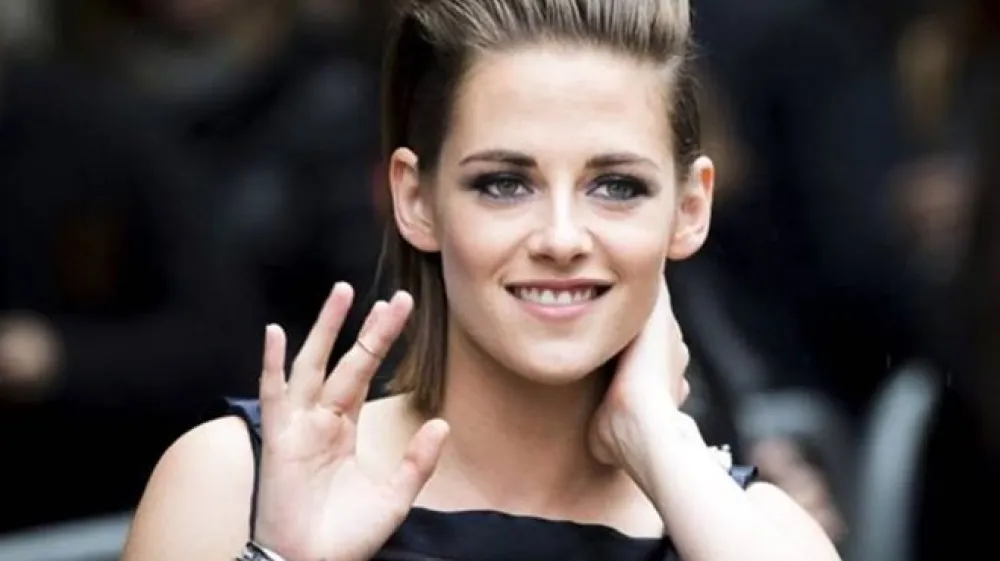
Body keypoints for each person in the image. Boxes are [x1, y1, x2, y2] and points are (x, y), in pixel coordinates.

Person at [122, 1, 842, 560]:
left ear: (689, 210)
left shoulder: (761, 531)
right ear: (415, 199)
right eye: (504, 184)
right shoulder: (231, 483)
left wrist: (661, 444)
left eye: (616, 186)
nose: (561, 238)